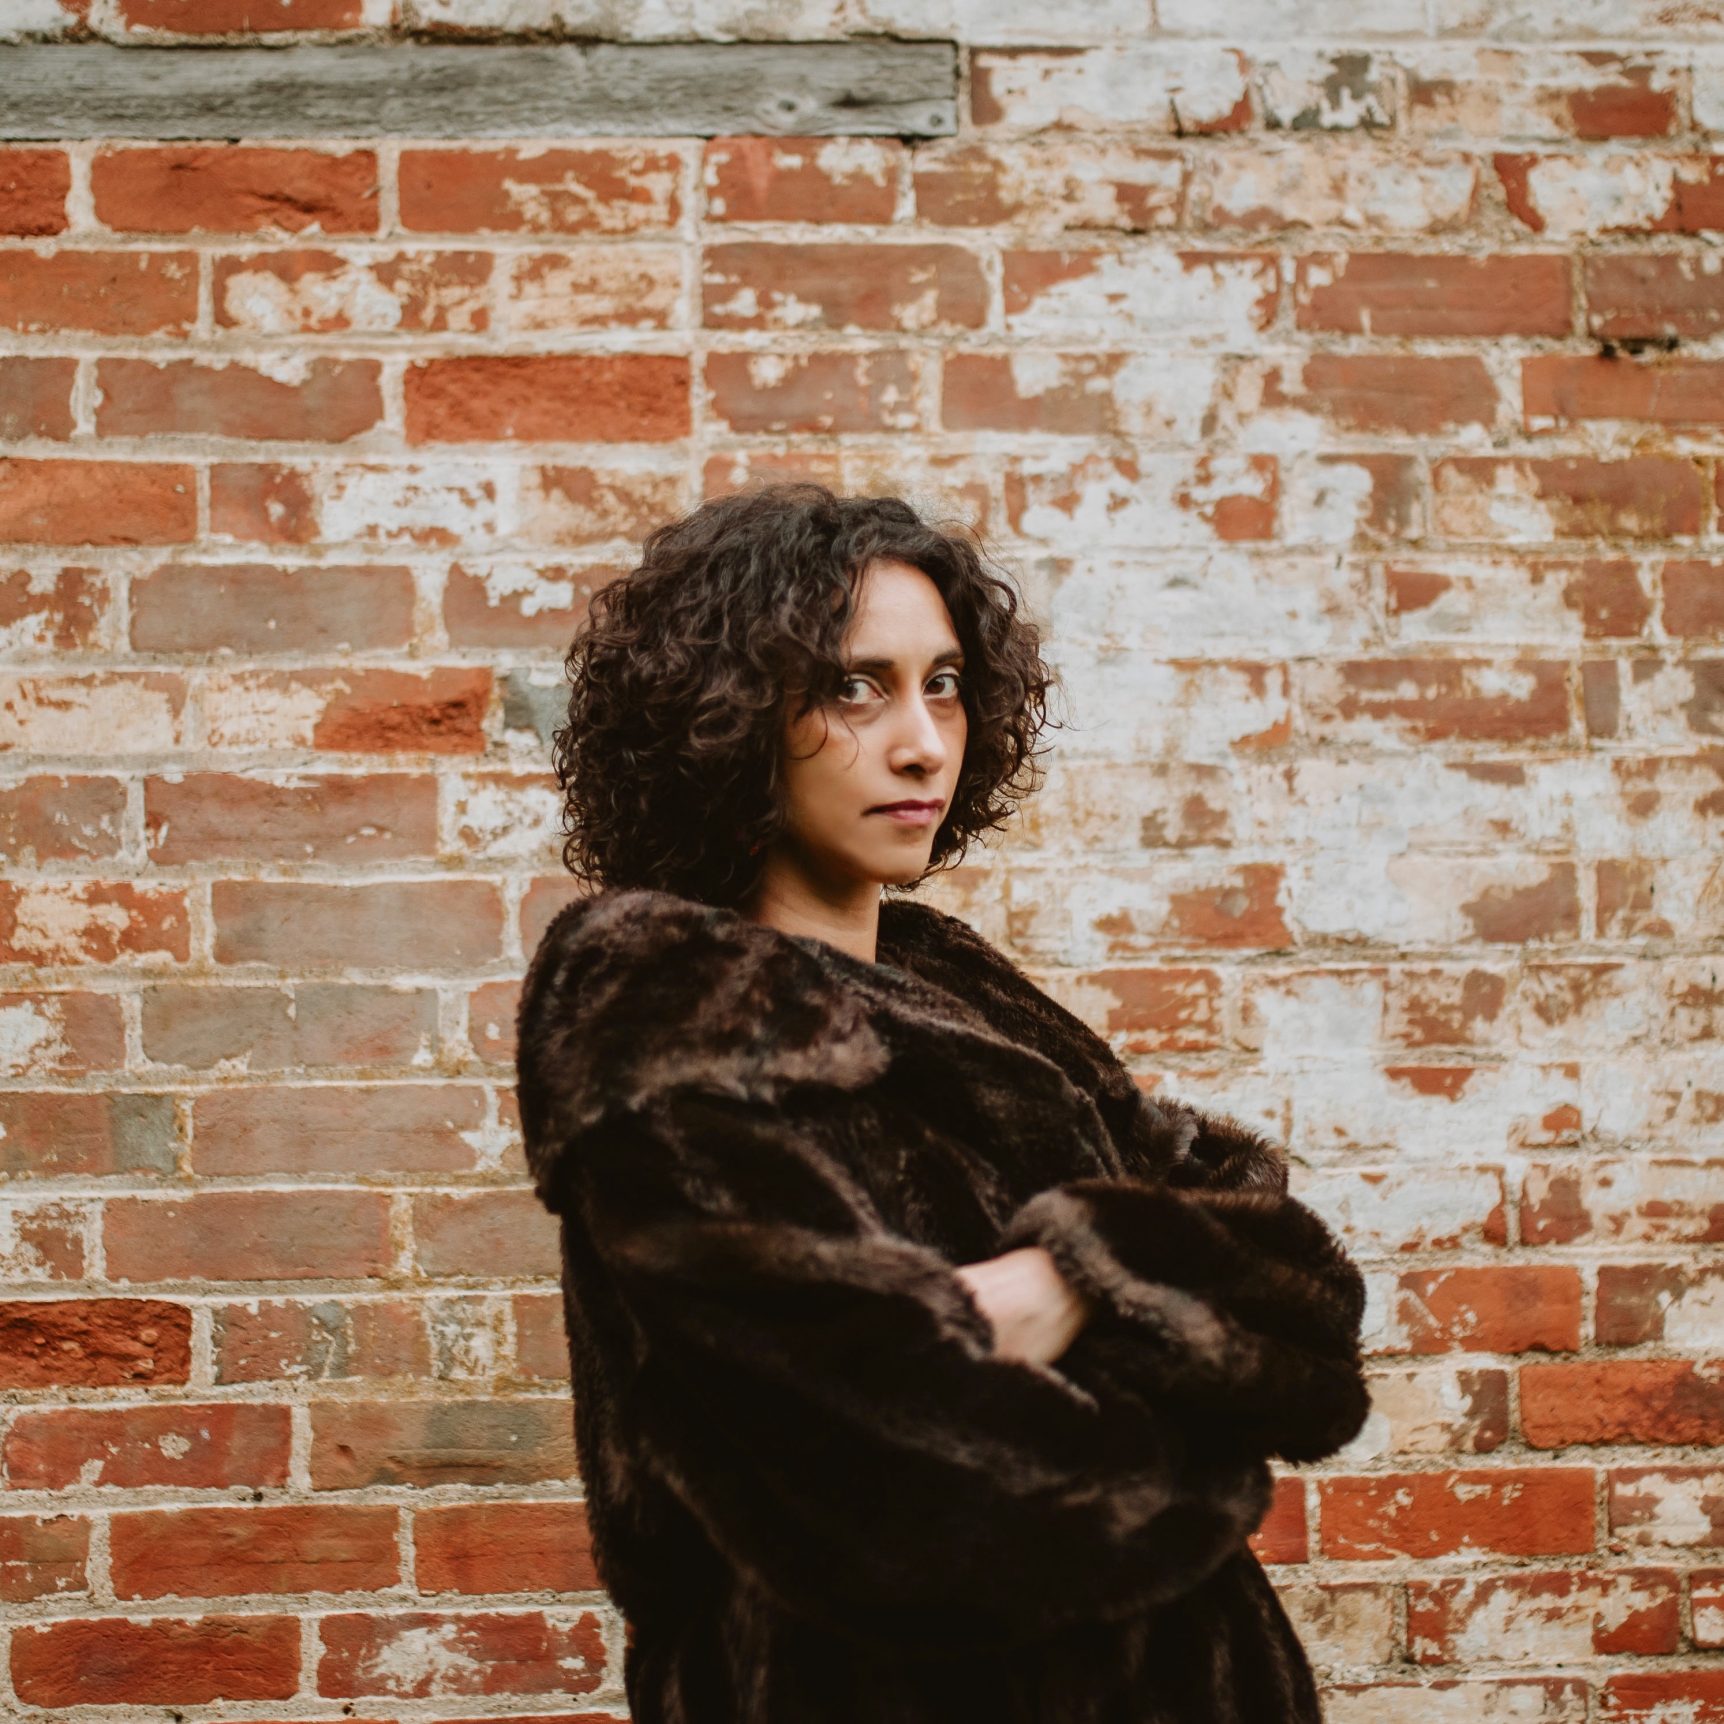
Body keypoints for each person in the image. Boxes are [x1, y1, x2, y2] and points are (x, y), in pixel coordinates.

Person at [514, 482, 1371, 1724]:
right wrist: (1182, 1401)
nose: (920, 739)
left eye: (945, 682)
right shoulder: (663, 997)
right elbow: (861, 1465)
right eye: (853, 687)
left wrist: (1066, 1277)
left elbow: (1302, 1317)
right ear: (732, 713)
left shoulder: (952, 983)